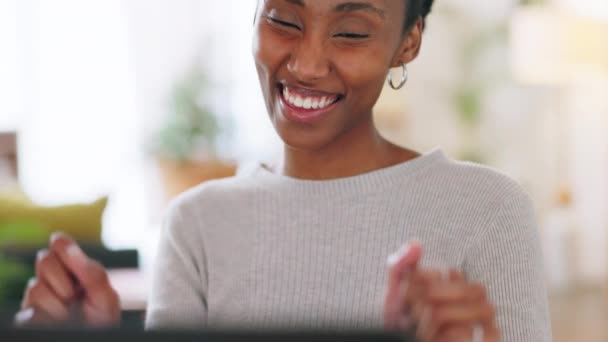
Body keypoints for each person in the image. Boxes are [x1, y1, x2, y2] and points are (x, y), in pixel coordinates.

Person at [15, 1, 552, 341]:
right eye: (284, 21)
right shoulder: (197, 225)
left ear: (407, 42)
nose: (306, 64)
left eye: (351, 32)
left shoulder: (488, 209)